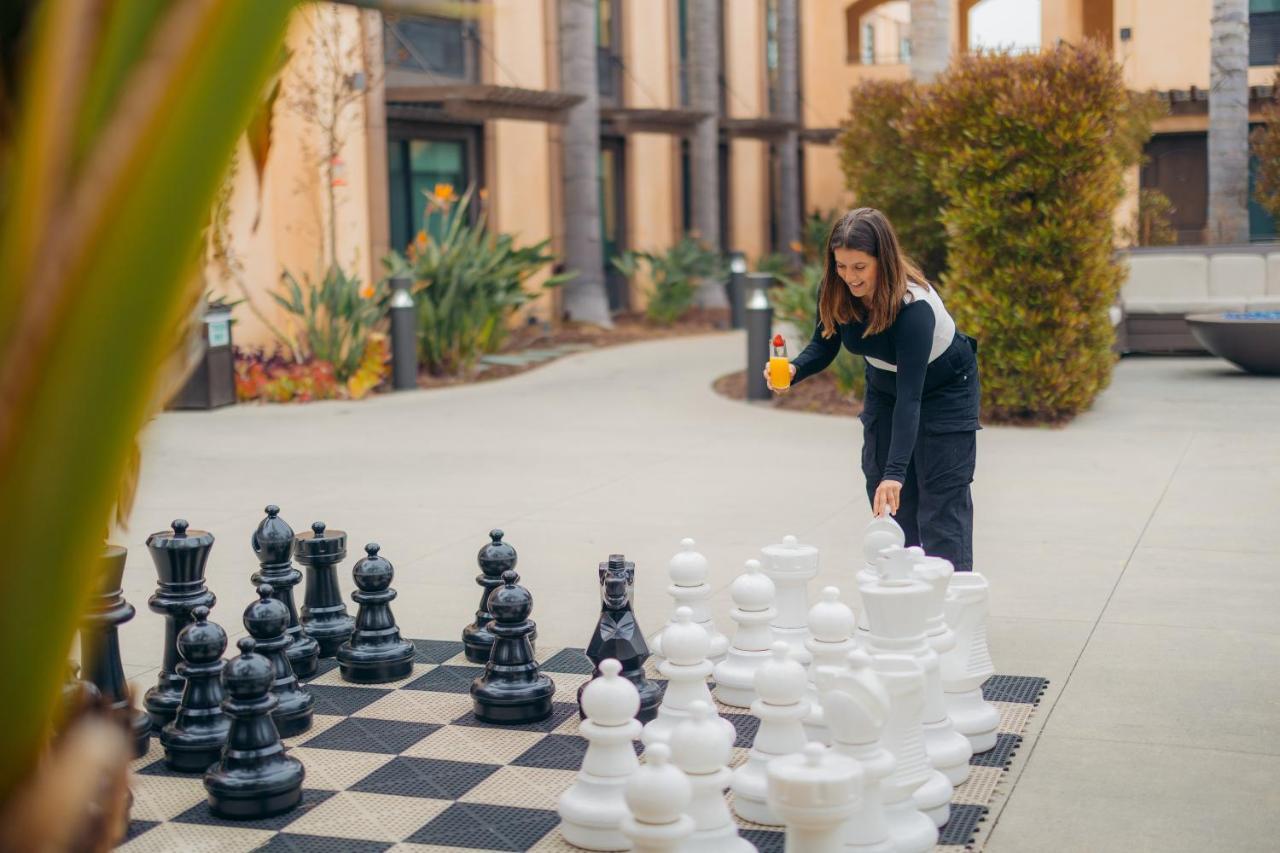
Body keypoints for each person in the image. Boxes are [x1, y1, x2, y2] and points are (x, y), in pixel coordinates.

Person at [765, 208, 981, 571]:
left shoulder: (914, 308)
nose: (850, 277)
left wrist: (897, 473)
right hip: (884, 385)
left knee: (940, 497)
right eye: (841, 265)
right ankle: (901, 594)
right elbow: (825, 344)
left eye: (860, 267)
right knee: (886, 496)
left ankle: (951, 606)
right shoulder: (836, 289)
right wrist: (794, 369)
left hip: (944, 387)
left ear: (884, 260)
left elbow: (911, 397)